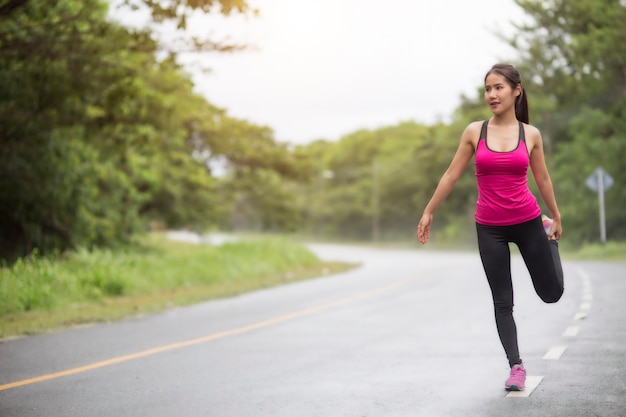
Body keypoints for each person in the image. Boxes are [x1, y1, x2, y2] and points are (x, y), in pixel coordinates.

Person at [416, 63, 564, 392]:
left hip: (528, 221)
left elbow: (542, 178)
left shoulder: (531, 134)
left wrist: (555, 215)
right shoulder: (474, 132)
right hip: (490, 227)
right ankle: (516, 367)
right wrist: (428, 211)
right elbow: (451, 174)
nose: (492, 95)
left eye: (498, 87)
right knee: (502, 301)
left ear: (516, 90)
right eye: (487, 89)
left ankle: (547, 235)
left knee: (551, 294)